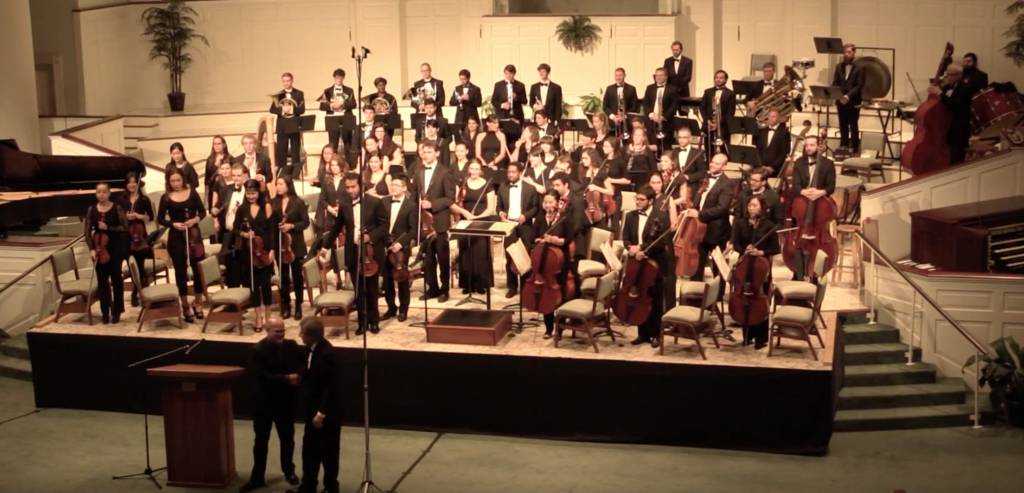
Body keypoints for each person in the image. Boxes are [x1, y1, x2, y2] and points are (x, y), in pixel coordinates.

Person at [321, 172, 388, 335]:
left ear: (361, 185)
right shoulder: (344, 204)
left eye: (353, 187)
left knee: (371, 289)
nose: (350, 190)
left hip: (370, 251)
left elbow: (384, 225)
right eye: (348, 187)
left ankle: (374, 321)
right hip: (353, 251)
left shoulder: (375, 202)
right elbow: (337, 227)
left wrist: (369, 236)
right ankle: (362, 322)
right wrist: (325, 246)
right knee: (358, 290)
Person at [240, 316, 302, 493]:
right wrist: (286, 378)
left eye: (283, 331)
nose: (281, 334)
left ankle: (289, 471)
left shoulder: (291, 346)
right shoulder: (256, 351)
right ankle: (257, 477)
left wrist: (298, 375)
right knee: (261, 441)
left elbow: (300, 363)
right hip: (264, 402)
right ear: (267, 330)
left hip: (285, 401)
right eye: (277, 332)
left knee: (287, 439)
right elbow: (260, 376)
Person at [289, 318, 342, 493]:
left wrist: (322, 413)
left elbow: (332, 387)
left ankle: (330, 487)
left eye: (302, 333)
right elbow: (312, 375)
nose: (300, 336)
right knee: (310, 449)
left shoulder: (328, 354)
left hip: (326, 413)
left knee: (328, 451)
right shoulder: (312, 350)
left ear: (311, 336)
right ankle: (308, 485)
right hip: (312, 409)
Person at [727, 195, 780, 349]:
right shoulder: (740, 224)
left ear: (762, 208)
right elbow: (735, 244)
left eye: (755, 205)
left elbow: (776, 249)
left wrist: (760, 252)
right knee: (744, 297)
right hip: (744, 263)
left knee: (759, 298)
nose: (751, 208)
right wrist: (745, 250)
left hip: (761, 267)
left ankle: (761, 339)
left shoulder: (769, 226)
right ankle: (747, 336)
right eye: (750, 205)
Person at [622, 186, 671, 347]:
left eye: (641, 199)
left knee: (655, 300)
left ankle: (657, 334)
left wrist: (641, 248)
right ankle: (642, 333)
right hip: (636, 262)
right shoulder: (630, 216)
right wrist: (631, 249)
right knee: (639, 298)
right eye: (637, 198)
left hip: (654, 264)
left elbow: (662, 242)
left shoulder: (662, 216)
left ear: (650, 201)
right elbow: (626, 238)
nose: (638, 202)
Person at [157, 168, 206, 323]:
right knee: (181, 272)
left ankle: (197, 302)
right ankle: (185, 305)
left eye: (178, 180)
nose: (176, 184)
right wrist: (173, 224)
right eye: (173, 181)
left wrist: (195, 220)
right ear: (168, 182)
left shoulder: (192, 192)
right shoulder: (165, 197)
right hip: (176, 237)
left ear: (183, 179)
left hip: (194, 235)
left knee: (198, 270)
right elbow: (160, 219)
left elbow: (203, 212)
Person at [789, 135, 836, 280]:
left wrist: (820, 193)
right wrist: (804, 192)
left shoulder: (828, 164)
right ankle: (797, 271)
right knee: (799, 228)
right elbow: (796, 185)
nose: (809, 148)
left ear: (818, 146)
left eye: (812, 145)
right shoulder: (799, 163)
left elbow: (831, 186)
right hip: (802, 203)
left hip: (820, 201)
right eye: (807, 145)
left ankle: (815, 271)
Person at [235, 179, 277, 332]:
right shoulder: (241, 209)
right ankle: (258, 317)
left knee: (266, 284)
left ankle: (268, 315)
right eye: (248, 193)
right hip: (248, 251)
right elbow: (234, 230)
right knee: (253, 285)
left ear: (259, 193)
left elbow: (272, 229)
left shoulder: (266, 206)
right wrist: (244, 234)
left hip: (264, 248)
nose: (251, 196)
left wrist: (272, 250)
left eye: (253, 193)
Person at [684, 153, 734, 282]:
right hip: (699, 230)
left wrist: (699, 214)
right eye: (712, 162)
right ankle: (696, 292)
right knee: (696, 264)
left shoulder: (727, 184)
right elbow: (700, 199)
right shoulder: (705, 177)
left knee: (718, 268)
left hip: (717, 231)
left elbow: (722, 208)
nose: (712, 164)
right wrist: (692, 209)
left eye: (717, 163)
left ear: (724, 167)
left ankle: (717, 298)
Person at [451, 159, 497, 295]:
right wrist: (464, 213)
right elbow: (457, 202)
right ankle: (467, 283)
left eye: (476, 169)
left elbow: (490, 208)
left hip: (482, 221)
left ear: (480, 170)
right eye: (472, 169)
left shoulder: (488, 184)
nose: (474, 172)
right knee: (466, 252)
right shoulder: (462, 183)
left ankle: (481, 283)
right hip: (465, 220)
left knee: (481, 253)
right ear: (468, 169)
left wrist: (477, 217)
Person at [532, 190, 573, 339]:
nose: (548, 205)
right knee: (546, 294)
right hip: (544, 262)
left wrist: (556, 240)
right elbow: (533, 238)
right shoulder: (540, 218)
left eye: (551, 202)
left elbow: (568, 238)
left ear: (557, 202)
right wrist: (539, 240)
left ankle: (560, 327)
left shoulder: (565, 218)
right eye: (546, 202)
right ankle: (548, 328)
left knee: (560, 293)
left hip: (560, 261)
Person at [86, 182, 128, 324]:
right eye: (99, 192)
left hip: (115, 248)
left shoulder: (117, 208)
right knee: (102, 283)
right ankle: (105, 312)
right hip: (99, 249)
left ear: (109, 193)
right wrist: (91, 248)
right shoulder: (92, 209)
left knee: (116, 281)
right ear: (96, 193)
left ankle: (116, 312)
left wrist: (108, 227)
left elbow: (124, 227)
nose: (101, 194)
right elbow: (86, 231)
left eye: (104, 192)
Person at [497, 161, 539, 298]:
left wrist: (525, 216)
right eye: (509, 172)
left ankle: (526, 286)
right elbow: (499, 206)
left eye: (513, 172)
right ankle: (512, 287)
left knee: (525, 257)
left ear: (520, 173)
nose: (510, 174)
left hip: (524, 225)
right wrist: (501, 214)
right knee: (510, 257)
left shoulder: (530, 189)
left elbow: (536, 207)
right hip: (508, 225)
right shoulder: (502, 187)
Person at [381, 174, 417, 322]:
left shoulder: (411, 205)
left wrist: (400, 244)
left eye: (396, 185)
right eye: (392, 185)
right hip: (384, 245)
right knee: (387, 279)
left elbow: (413, 230)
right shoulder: (383, 202)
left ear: (404, 188)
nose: (393, 187)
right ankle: (391, 308)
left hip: (400, 248)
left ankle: (403, 309)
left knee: (401, 278)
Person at [273, 177, 309, 321]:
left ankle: (299, 305)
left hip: (295, 243)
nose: (278, 187)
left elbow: (305, 222)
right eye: (277, 184)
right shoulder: (273, 202)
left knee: (297, 276)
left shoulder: (298, 202)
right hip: (280, 244)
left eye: (281, 184)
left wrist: (291, 226)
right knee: (283, 277)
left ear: (288, 185)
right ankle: (286, 304)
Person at [118, 172, 155, 308]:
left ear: (138, 184)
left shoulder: (144, 199)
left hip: (140, 235)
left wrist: (140, 216)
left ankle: (138, 292)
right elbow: (118, 218)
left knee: (140, 265)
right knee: (131, 265)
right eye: (129, 182)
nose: (132, 185)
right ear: (126, 184)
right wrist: (126, 218)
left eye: (134, 182)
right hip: (126, 236)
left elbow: (150, 217)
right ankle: (137, 291)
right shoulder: (121, 200)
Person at [928, 63, 973, 165]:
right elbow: (942, 100)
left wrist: (939, 93)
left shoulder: (966, 88)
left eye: (951, 75)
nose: (948, 77)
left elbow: (956, 105)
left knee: (956, 159)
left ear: (959, 75)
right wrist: (933, 92)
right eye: (947, 74)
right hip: (948, 128)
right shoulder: (949, 87)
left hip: (959, 130)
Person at [317, 159, 347, 289]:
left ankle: (347, 278)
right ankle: (337, 279)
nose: (334, 167)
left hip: (344, 216)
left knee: (345, 246)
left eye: (337, 165)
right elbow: (322, 199)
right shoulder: (327, 181)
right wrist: (330, 208)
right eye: (332, 165)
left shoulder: (347, 180)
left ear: (341, 166)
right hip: (331, 216)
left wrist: (341, 209)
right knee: (333, 248)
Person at [270, 73, 306, 177]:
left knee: (295, 152)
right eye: (284, 81)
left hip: (294, 125)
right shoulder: (279, 95)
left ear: (292, 81)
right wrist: (282, 110)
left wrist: (291, 109)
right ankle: (282, 175)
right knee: (282, 152)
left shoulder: (299, 94)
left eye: (288, 81)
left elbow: (302, 109)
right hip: (282, 126)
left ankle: (295, 175)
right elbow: (272, 109)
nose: (286, 83)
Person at [832, 44, 865, 153]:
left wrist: (848, 96)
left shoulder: (860, 67)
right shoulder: (838, 66)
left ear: (854, 52)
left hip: (853, 101)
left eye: (849, 52)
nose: (846, 54)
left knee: (853, 124)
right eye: (845, 52)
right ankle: (844, 145)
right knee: (842, 124)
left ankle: (855, 148)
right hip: (840, 100)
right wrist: (838, 95)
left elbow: (859, 85)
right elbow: (835, 82)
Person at [700, 70, 737, 158]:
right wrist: (708, 120)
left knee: (724, 150)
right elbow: (702, 108)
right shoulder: (707, 92)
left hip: (723, 126)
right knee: (709, 150)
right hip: (709, 125)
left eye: (721, 78)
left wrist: (718, 124)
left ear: (725, 80)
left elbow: (730, 112)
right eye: (717, 77)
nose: (718, 80)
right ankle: (709, 167)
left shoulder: (730, 94)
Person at [320, 68, 356, 152]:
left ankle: (349, 164)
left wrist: (342, 104)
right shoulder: (327, 91)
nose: (338, 79)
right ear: (334, 78)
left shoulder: (349, 90)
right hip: (333, 119)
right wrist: (331, 105)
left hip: (346, 118)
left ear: (343, 78)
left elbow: (353, 104)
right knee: (333, 144)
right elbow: (322, 106)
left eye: (340, 77)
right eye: (337, 77)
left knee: (348, 144)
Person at [643, 67, 679, 150]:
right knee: (653, 145)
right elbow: (645, 104)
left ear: (666, 77)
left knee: (666, 146)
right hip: (651, 121)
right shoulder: (649, 88)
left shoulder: (673, 89)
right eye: (657, 75)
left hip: (666, 122)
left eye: (661, 75)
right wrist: (652, 115)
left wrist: (663, 117)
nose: (658, 77)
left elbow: (674, 105)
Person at [755, 108, 792, 176]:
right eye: (770, 116)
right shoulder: (762, 131)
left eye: (774, 116)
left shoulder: (784, 133)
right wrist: (762, 165)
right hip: (761, 168)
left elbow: (784, 152)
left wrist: (772, 167)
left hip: (776, 170)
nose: (771, 118)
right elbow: (759, 149)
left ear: (779, 118)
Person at [603, 67, 640, 134]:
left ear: (624, 75)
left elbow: (634, 106)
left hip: (626, 122)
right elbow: (605, 106)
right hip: (612, 123)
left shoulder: (631, 89)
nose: (618, 77)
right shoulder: (609, 89)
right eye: (616, 75)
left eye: (620, 75)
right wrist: (613, 117)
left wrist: (623, 116)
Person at [204, 135, 232, 206]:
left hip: (225, 189)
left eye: (219, 144)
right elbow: (207, 178)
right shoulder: (210, 159)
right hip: (212, 190)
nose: (217, 146)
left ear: (224, 145)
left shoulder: (229, 159)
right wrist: (206, 195)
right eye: (215, 144)